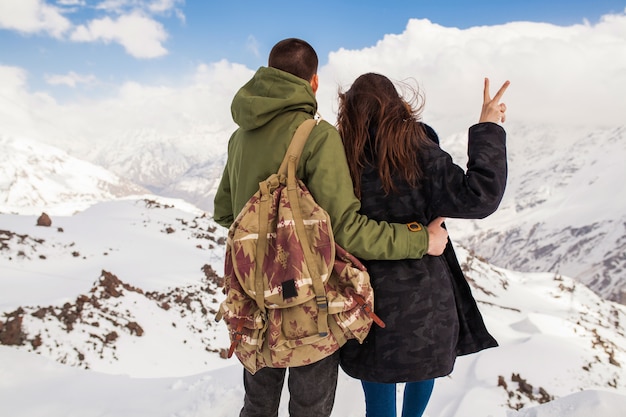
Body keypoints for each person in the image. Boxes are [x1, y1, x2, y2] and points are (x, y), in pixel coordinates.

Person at [213, 39, 449, 417]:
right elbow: (347, 231)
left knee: (257, 406)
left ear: (267, 73)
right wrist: (422, 239)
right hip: (308, 305)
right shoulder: (318, 136)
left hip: (253, 297)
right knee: (310, 409)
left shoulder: (239, 139)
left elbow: (226, 213)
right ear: (315, 82)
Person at [336, 73, 510, 417]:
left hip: (364, 294)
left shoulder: (339, 156)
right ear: (398, 105)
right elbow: (479, 196)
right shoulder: (418, 148)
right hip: (426, 292)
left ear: (349, 112)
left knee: (379, 382)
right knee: (423, 364)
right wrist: (488, 127)